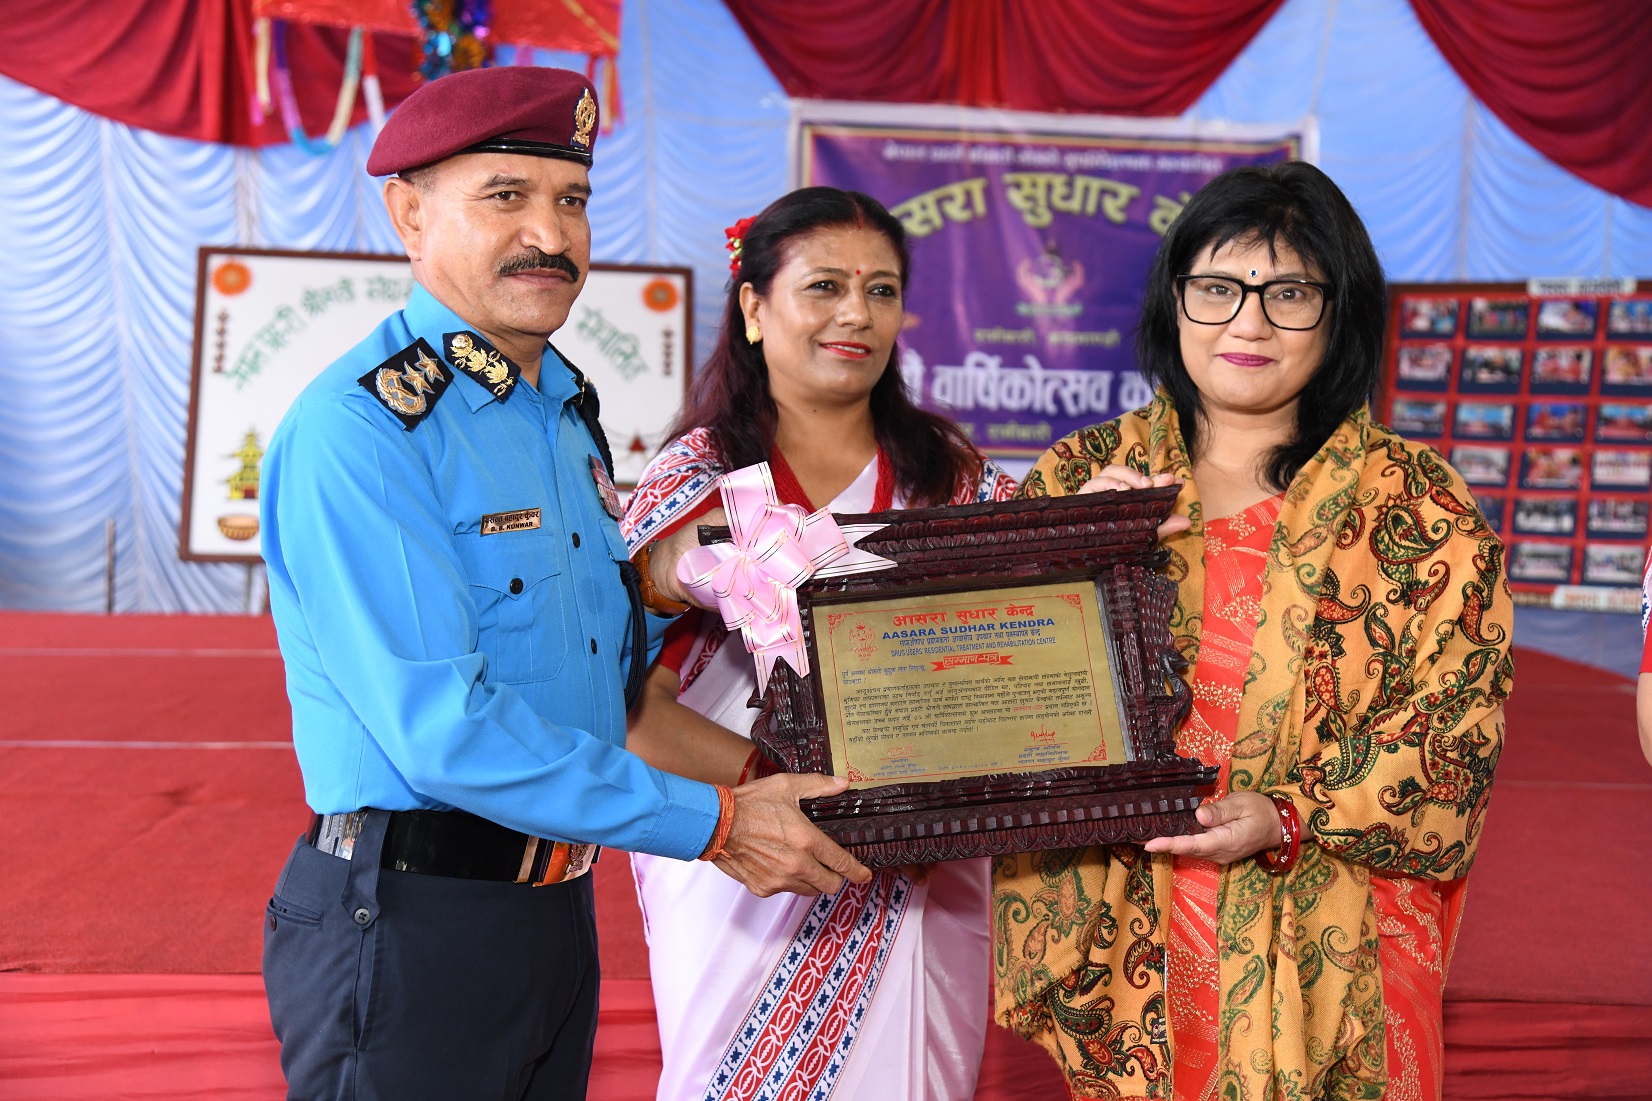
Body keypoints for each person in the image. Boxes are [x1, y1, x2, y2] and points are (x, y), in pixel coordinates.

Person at [258, 68, 868, 1101]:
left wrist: (668, 587)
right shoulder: (363, 431)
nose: (550, 234)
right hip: (412, 924)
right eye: (506, 196)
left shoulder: (559, 411)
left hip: (552, 911)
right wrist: (718, 822)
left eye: (572, 199)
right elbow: (443, 729)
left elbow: (584, 665)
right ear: (409, 214)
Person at [992, 162, 1514, 1099]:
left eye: (1290, 294)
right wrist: (1061, 562)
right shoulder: (1084, 472)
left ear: (1340, 313)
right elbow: (990, 694)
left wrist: (1286, 813)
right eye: (1219, 287)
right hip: (1132, 925)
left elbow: (1456, 733)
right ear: (1175, 299)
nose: (1248, 323)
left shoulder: (1418, 505)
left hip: (1330, 927)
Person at [619, 187, 1019, 1101]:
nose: (856, 314)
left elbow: (1034, 655)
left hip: (923, 871)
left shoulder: (952, 481)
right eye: (825, 286)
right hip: (748, 862)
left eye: (882, 291)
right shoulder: (699, 482)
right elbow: (629, 711)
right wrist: (791, 790)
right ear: (754, 307)